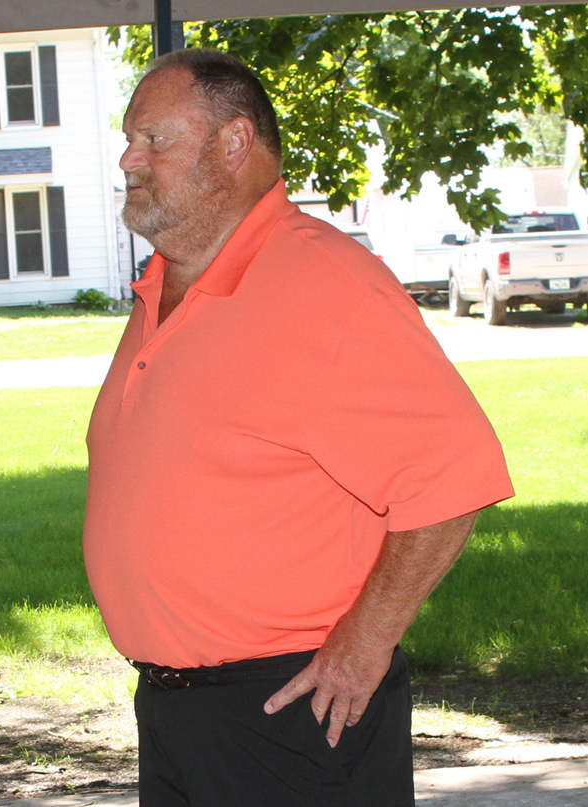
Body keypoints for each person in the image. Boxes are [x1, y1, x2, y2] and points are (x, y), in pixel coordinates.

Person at [84, 49, 514, 807]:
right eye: (128, 139)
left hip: (292, 713)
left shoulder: (323, 282)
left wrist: (365, 642)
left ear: (234, 143)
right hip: (177, 712)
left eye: (154, 140)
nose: (129, 159)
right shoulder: (164, 289)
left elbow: (453, 477)